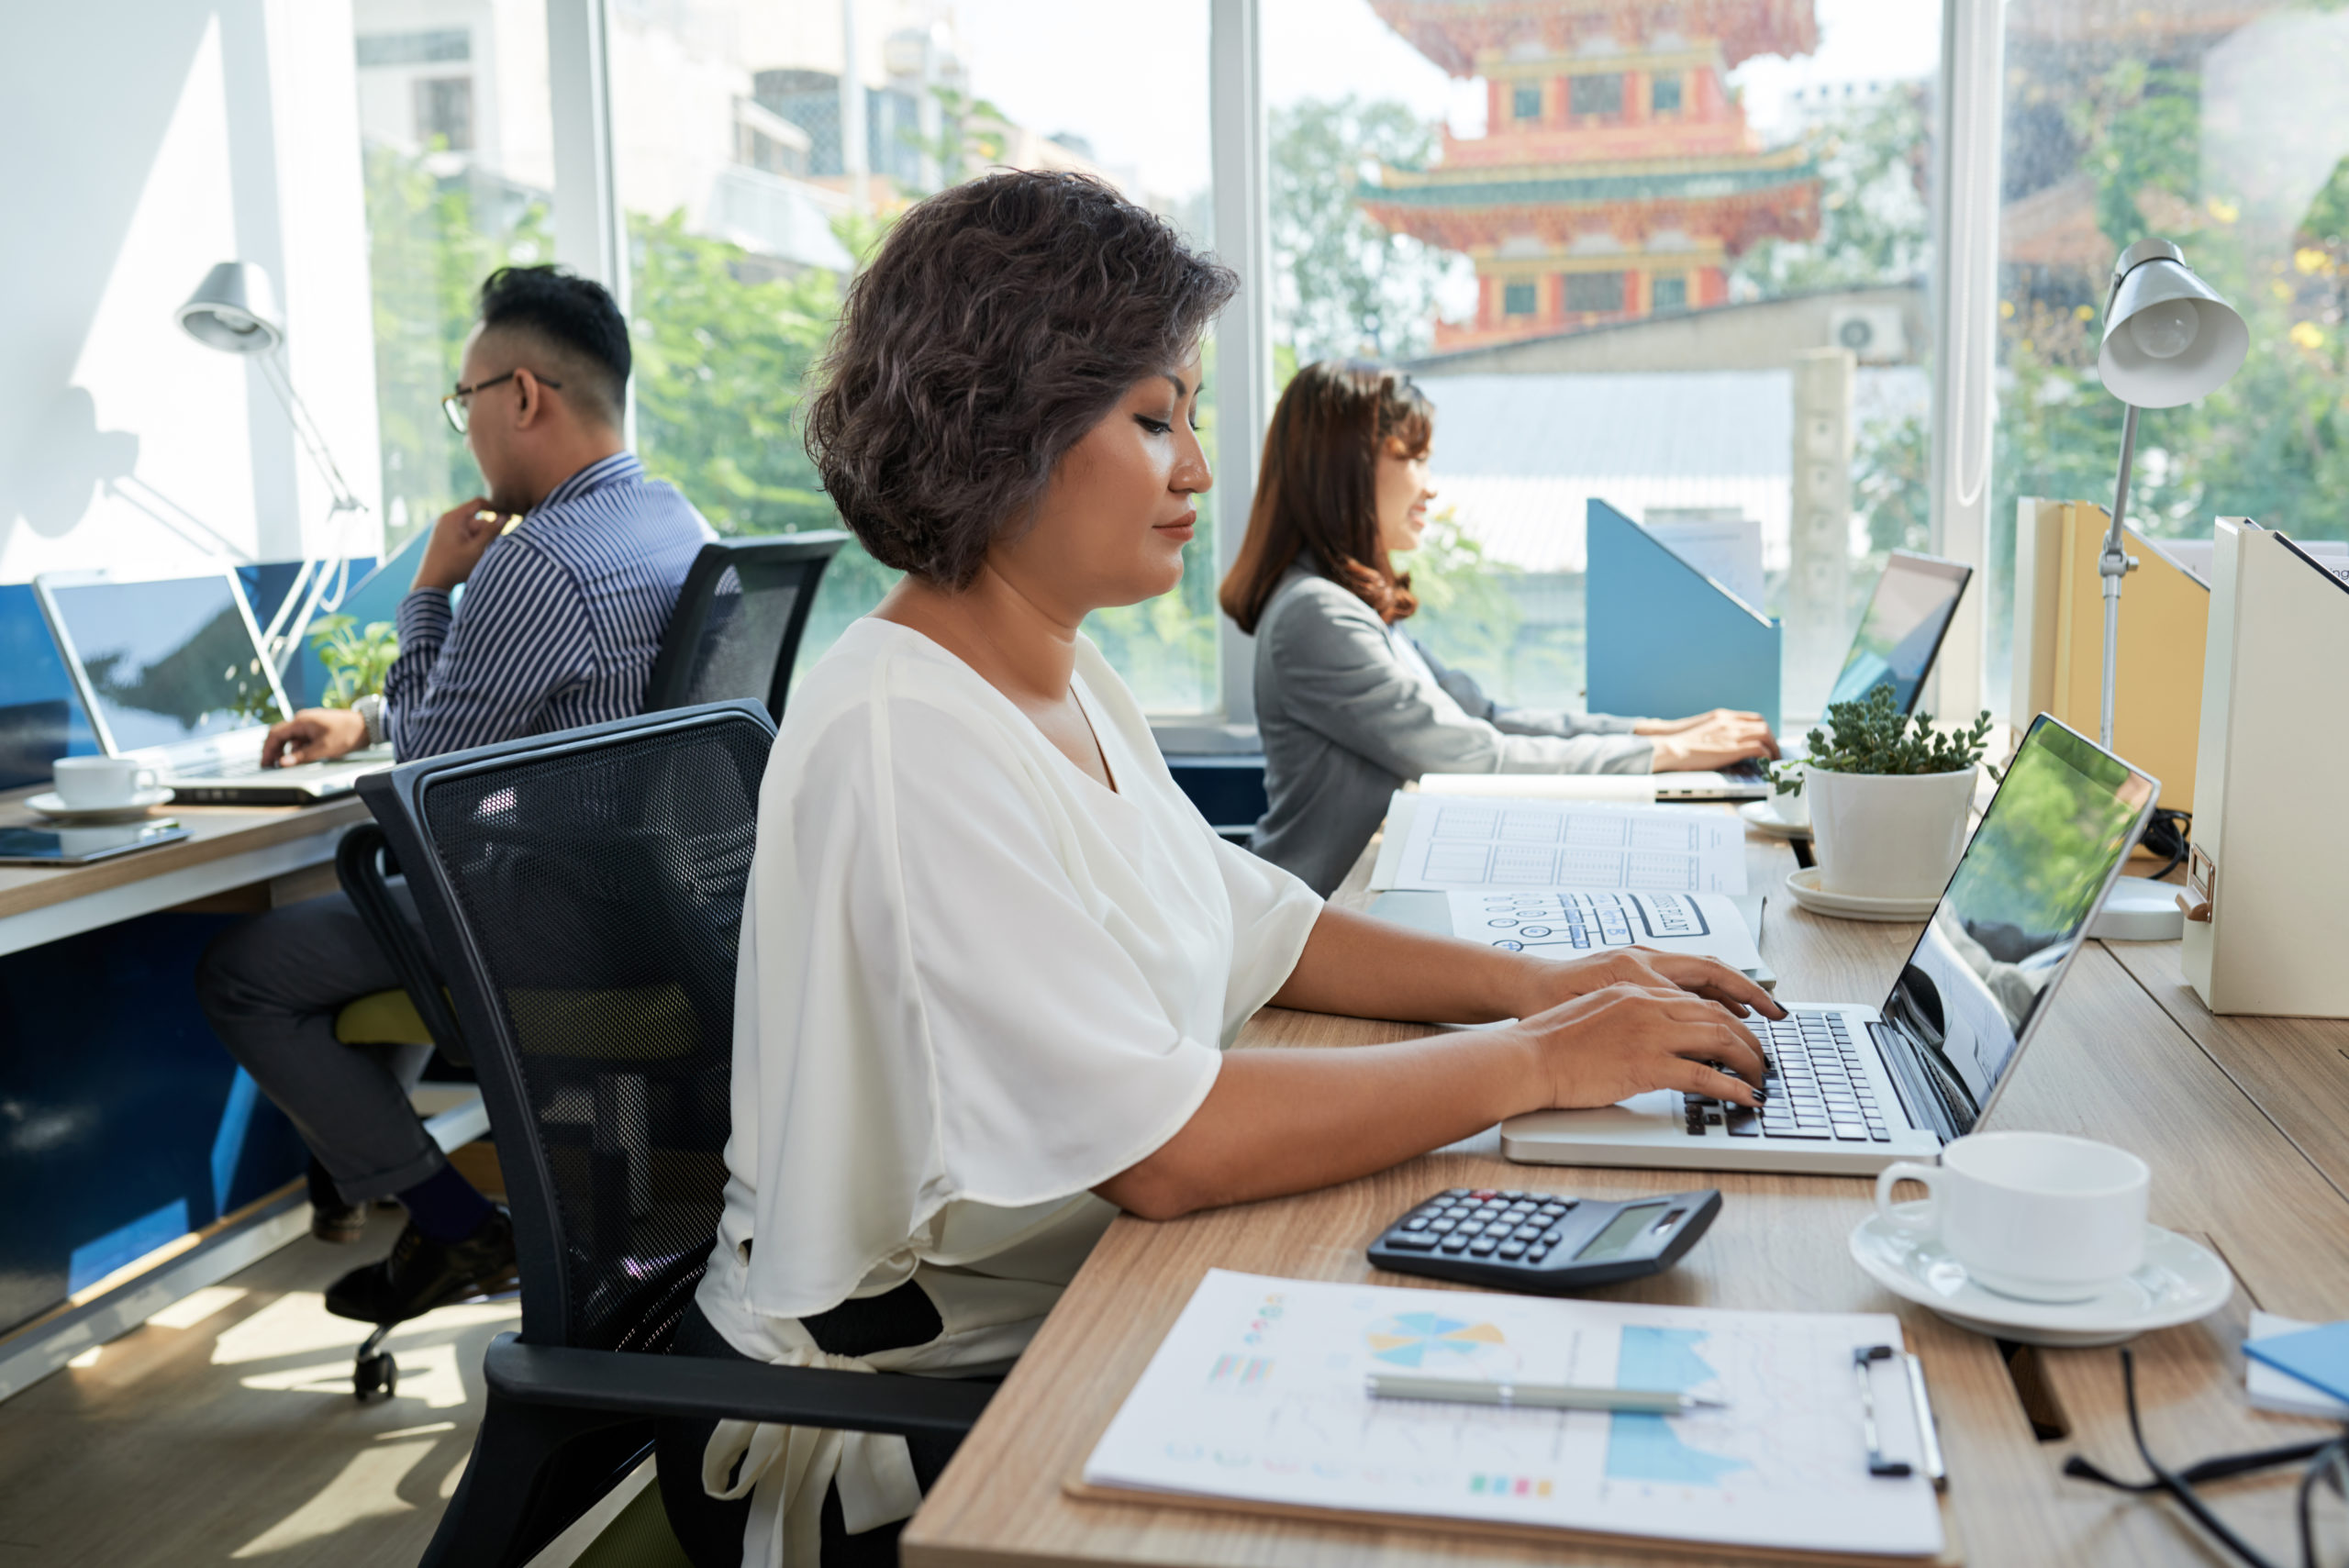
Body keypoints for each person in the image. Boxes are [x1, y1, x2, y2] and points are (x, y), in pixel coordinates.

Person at [656, 169, 1780, 1568]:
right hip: (900, 1433)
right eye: (1150, 417)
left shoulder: (1059, 674)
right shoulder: (906, 729)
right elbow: (1167, 1150)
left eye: (1191, 416)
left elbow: (1277, 928)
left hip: (1052, 1318)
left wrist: (1545, 986)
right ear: (998, 424)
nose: (1195, 466)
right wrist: (1539, 1060)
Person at [195, 265, 715, 1325]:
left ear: (523, 396)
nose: (465, 430)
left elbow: (432, 769)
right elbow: (534, 699)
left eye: (465, 401)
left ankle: (451, 1222)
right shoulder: (672, 521)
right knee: (372, 912)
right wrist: (365, 720)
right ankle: (394, 1193)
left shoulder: (541, 561)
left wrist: (429, 588)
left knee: (246, 970)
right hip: (658, 915)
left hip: (546, 918)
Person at [1219, 361, 1780, 895]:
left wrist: (1661, 733)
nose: (1430, 487)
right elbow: (1471, 756)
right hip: (1312, 918)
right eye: (1414, 458)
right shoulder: (1316, 614)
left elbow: (1486, 717)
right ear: (1345, 467)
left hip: (1348, 903)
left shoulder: (1352, 607)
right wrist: (1670, 757)